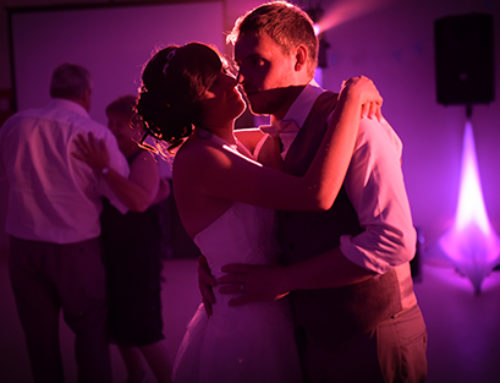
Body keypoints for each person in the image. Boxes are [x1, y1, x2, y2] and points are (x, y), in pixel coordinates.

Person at [199, 2, 427, 382]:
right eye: (240, 66)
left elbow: (394, 241)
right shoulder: (269, 139)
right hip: (312, 336)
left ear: (301, 57)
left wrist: (284, 280)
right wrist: (211, 257)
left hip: (374, 333)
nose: (242, 78)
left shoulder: (358, 124)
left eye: (256, 62)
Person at [135, 40, 382, 383]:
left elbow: (290, 132)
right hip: (247, 318)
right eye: (210, 84)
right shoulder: (202, 158)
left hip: (267, 303)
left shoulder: (233, 144)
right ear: (188, 106)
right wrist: (351, 99)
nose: (230, 81)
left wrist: (210, 257)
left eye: (222, 70)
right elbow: (316, 195)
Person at [0, 63, 129, 383]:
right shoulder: (95, 134)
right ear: (86, 93)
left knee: (38, 338)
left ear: (52, 89)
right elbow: (121, 193)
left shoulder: (14, 125)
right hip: (77, 249)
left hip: (23, 248)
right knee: (90, 332)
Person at [72, 95, 173, 383]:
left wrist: (103, 168)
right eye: (110, 123)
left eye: (121, 124)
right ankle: (135, 374)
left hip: (137, 252)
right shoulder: (111, 152)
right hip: (112, 247)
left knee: (142, 324)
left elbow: (139, 202)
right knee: (117, 321)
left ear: (139, 128)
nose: (113, 129)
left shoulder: (144, 156)